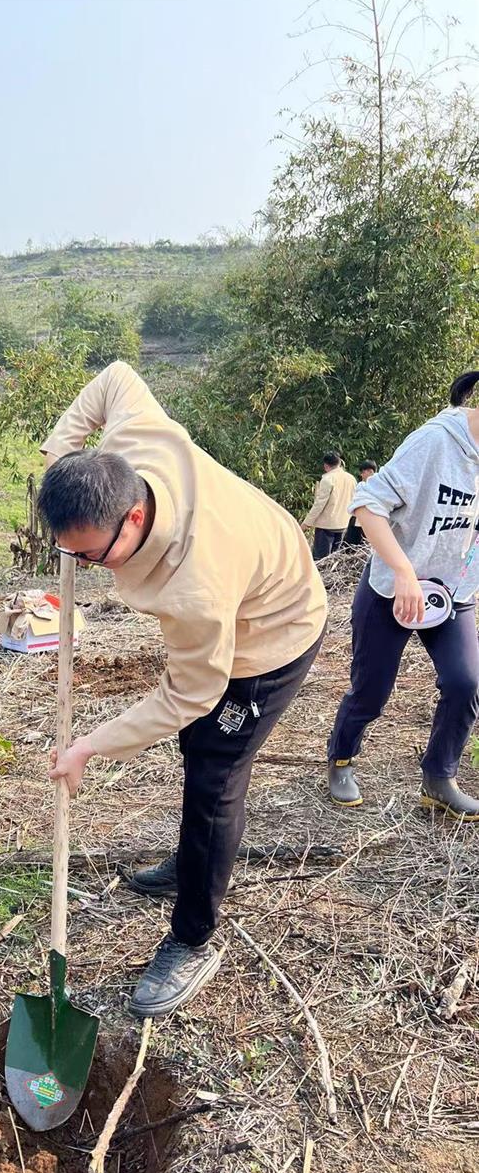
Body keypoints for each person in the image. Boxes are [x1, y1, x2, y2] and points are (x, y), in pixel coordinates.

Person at [38, 362, 326, 1018]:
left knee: (214, 779)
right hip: (243, 592)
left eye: (88, 556)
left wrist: (90, 745)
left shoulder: (196, 583)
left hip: (271, 632)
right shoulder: (135, 442)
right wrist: (62, 453)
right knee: (196, 751)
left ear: (133, 516)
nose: (79, 567)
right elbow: (114, 378)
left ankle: (193, 937)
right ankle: (189, 859)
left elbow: (188, 695)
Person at [327, 372, 479, 820]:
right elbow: (367, 504)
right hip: (392, 591)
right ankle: (340, 759)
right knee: (371, 692)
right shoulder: (436, 442)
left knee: (465, 682)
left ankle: (439, 777)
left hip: (453, 594)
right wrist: (404, 572)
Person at [302, 452, 357, 559]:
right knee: (334, 558)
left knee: (321, 559)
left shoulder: (328, 479)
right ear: (340, 463)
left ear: (326, 466)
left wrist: (306, 524)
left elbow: (319, 504)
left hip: (326, 526)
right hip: (343, 524)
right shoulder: (351, 479)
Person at [342, 461, 378, 547]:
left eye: (363, 472)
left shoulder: (369, 486)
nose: (361, 475)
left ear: (370, 471)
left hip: (367, 519)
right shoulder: (364, 485)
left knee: (356, 544)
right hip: (359, 519)